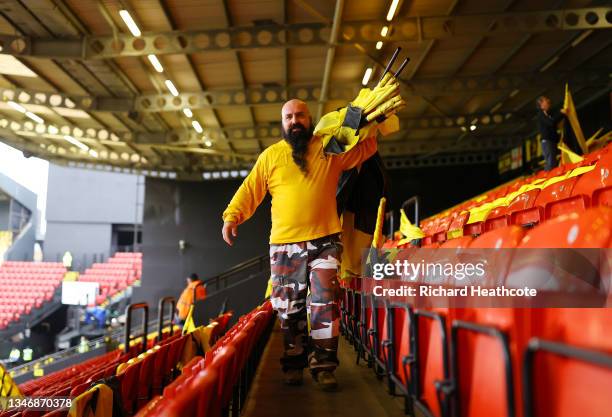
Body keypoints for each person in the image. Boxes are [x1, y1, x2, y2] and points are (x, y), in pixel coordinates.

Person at [221, 99, 377, 391]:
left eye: (300, 115)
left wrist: (371, 122)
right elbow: (250, 189)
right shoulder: (271, 156)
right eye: (288, 117)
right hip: (284, 246)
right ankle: (293, 364)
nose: (295, 121)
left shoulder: (329, 148)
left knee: (324, 305)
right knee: (289, 309)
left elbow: (364, 151)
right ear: (283, 123)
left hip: (326, 241)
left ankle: (324, 366)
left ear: (309, 118)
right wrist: (232, 217)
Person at [536, 96, 567, 171]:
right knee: (551, 163)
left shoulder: (549, 113)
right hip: (547, 142)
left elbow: (554, 120)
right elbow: (551, 123)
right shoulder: (541, 115)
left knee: (554, 162)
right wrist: (561, 113)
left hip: (552, 141)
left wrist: (562, 113)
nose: (548, 101)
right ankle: (549, 178)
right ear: (541, 105)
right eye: (546, 100)